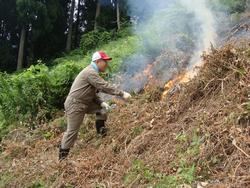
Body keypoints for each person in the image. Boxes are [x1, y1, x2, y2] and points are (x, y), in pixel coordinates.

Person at [59, 51, 132, 160]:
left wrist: (101, 102)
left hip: (84, 102)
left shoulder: (92, 72)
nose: (106, 64)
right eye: (105, 61)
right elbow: (104, 86)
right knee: (72, 132)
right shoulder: (90, 72)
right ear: (98, 61)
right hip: (76, 104)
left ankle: (101, 131)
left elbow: (90, 93)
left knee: (102, 109)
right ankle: (62, 159)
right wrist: (122, 93)